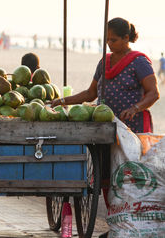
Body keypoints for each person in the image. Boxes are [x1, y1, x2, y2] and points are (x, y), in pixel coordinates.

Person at [52, 17, 160, 238]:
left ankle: (130, 225)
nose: (110, 44)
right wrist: (63, 101)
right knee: (107, 178)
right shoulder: (104, 62)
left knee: (129, 179)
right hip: (104, 130)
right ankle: (118, 224)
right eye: (107, 39)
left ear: (127, 38)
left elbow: (153, 93)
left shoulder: (139, 62)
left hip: (131, 130)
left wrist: (135, 107)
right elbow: (91, 94)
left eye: (114, 40)